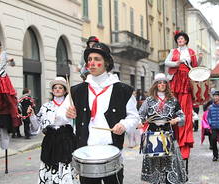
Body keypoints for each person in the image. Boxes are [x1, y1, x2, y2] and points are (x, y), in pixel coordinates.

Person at [62, 42, 140, 184]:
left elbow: (134, 117)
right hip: (86, 152)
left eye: (97, 59)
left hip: (112, 151)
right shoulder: (76, 90)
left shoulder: (123, 90)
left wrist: (123, 125)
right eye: (89, 59)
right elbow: (60, 116)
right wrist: (67, 114)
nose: (91, 63)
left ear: (107, 63)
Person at [27, 77, 78, 184]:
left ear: (65, 90)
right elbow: (37, 127)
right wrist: (32, 115)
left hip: (67, 141)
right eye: (55, 88)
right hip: (50, 142)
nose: (58, 89)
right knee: (49, 168)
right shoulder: (45, 106)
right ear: (52, 90)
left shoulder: (71, 105)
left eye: (60, 87)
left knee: (66, 167)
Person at [139, 73, 187, 184]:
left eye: (164, 82)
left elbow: (182, 115)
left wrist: (177, 120)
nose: (162, 84)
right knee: (154, 160)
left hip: (167, 133)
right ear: (155, 84)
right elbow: (141, 115)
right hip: (152, 133)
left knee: (169, 159)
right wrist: (139, 122)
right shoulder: (149, 100)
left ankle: (168, 181)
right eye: (159, 82)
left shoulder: (173, 100)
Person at [164, 31, 199, 169]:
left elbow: (196, 69)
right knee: (173, 110)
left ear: (186, 40)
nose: (180, 40)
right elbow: (166, 62)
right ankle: (172, 142)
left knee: (185, 112)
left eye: (182, 38)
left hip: (186, 81)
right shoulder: (173, 51)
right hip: (175, 80)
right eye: (178, 38)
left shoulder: (191, 52)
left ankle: (185, 143)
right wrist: (176, 62)